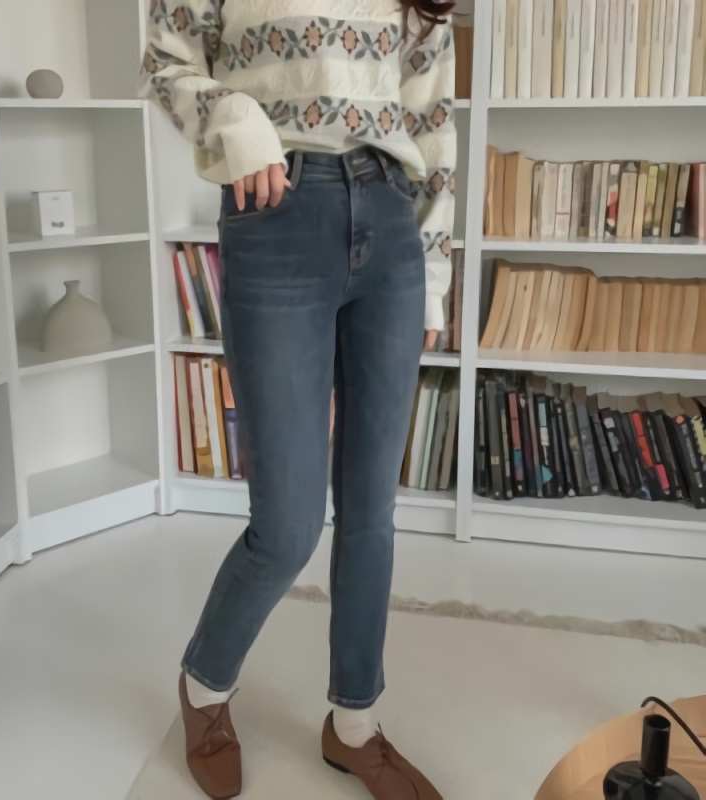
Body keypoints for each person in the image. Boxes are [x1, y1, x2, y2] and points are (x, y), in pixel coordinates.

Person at [143, 1, 456, 797]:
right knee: (286, 526)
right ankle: (204, 687)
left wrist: (433, 273)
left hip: (391, 217)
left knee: (371, 513)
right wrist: (237, 118)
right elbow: (166, 63)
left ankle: (355, 724)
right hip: (276, 211)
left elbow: (430, 116)